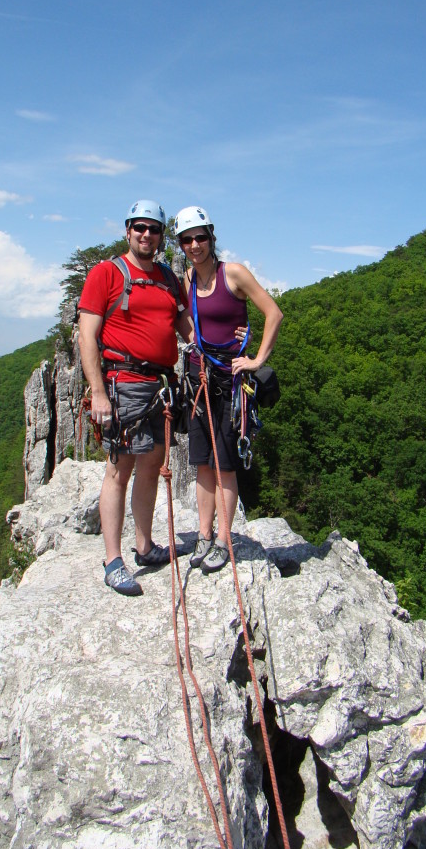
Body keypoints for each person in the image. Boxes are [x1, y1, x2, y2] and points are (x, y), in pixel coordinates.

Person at [78, 200, 192, 596]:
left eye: (154, 229)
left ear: (161, 237)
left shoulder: (166, 278)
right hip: (122, 384)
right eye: (139, 227)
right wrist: (97, 392)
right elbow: (86, 336)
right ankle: (113, 561)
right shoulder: (106, 273)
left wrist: (217, 350)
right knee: (118, 471)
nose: (146, 234)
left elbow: (184, 325)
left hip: (160, 387)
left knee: (150, 468)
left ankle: (144, 546)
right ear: (127, 231)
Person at [175, 205, 283, 574]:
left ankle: (223, 540)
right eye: (187, 239)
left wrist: (255, 358)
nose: (195, 245)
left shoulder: (232, 274)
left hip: (231, 379)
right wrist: (193, 345)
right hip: (200, 377)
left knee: (225, 466)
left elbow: (274, 312)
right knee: (202, 463)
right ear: (181, 244)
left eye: (200, 237)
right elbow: (181, 318)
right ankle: (203, 537)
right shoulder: (188, 279)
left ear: (211, 237)